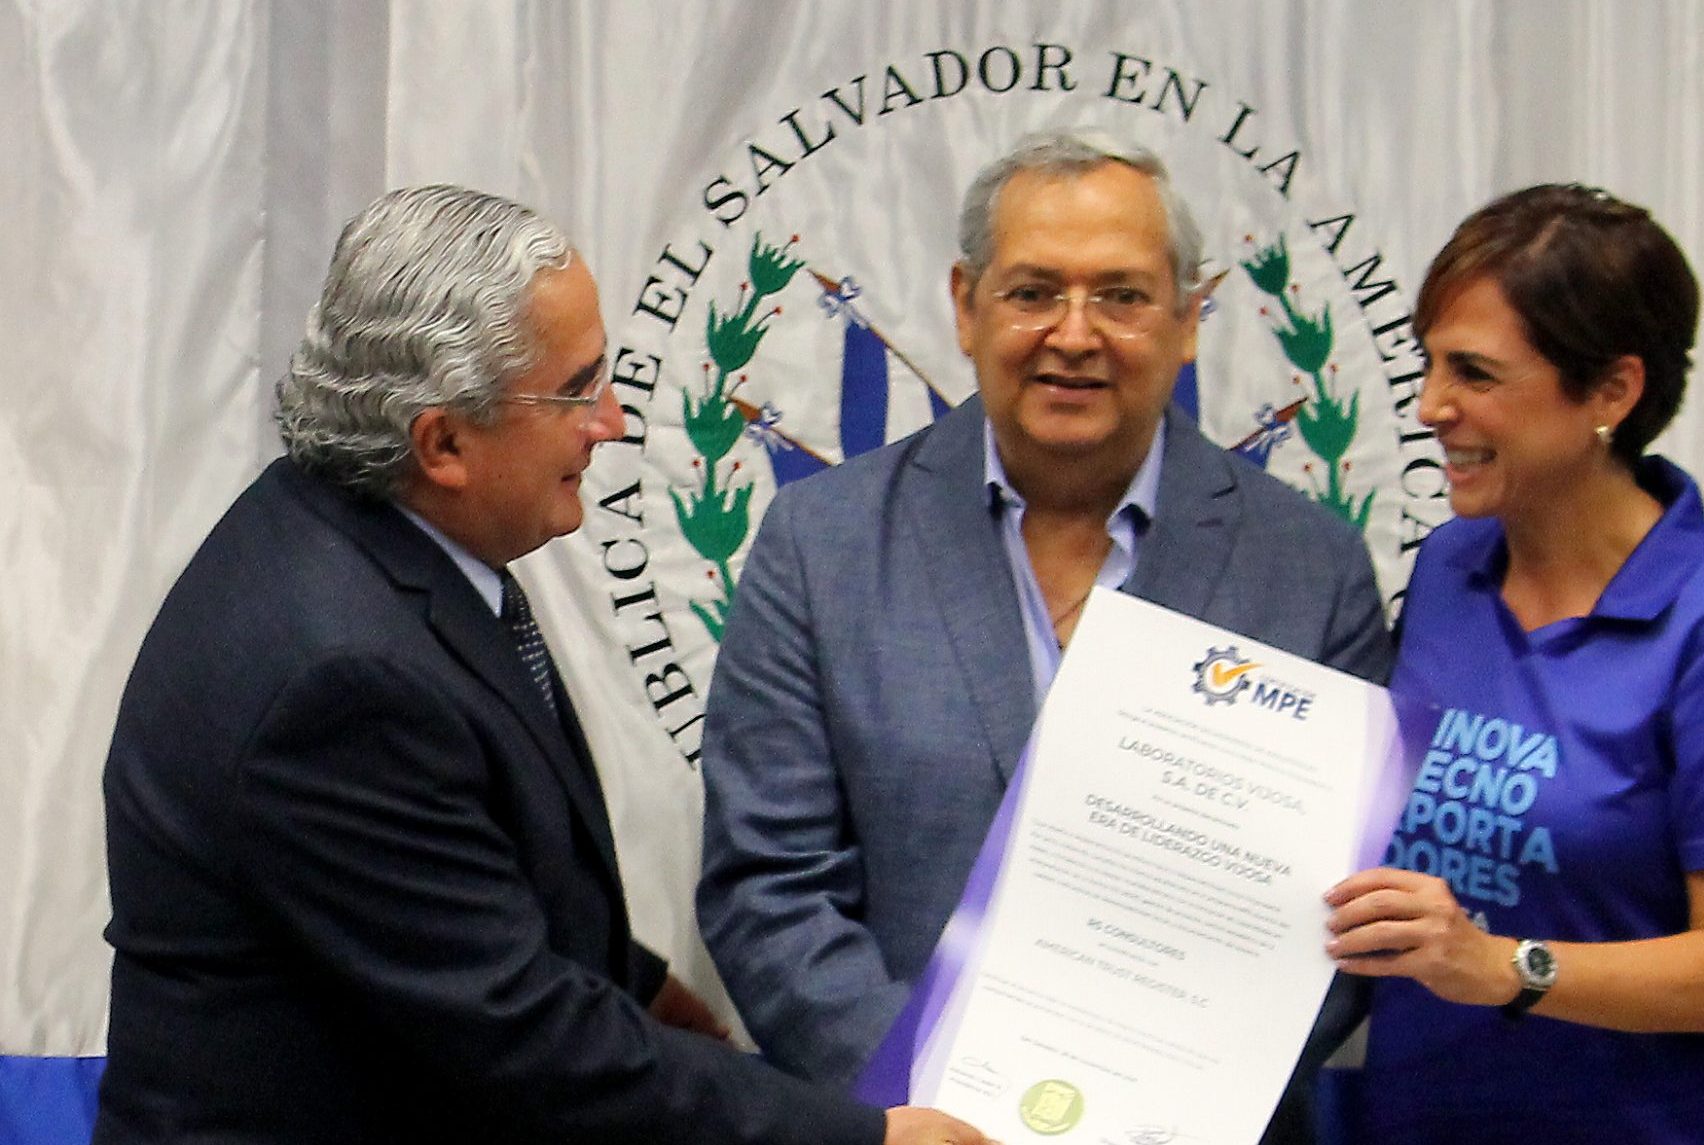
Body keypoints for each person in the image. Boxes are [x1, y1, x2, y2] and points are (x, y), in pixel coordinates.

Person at [96, 185, 989, 1145]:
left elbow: (464, 882)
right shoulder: (342, 678)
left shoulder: (368, 537)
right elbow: (524, 1037)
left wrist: (639, 986)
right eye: (575, 390)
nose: (612, 421)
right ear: (443, 440)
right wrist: (864, 1140)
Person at [697, 129, 1392, 1141]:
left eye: (1121, 295)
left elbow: (1343, 918)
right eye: (1031, 292)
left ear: (1188, 319)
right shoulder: (820, 543)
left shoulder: (1311, 567)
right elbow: (768, 884)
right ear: (964, 304)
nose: (1074, 333)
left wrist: (1161, 1109)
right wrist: (926, 1101)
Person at [1324, 184, 1704, 1142]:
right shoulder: (1449, 568)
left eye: (1475, 372)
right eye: (1429, 362)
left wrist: (1502, 966)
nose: (1430, 406)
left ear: (1612, 392)